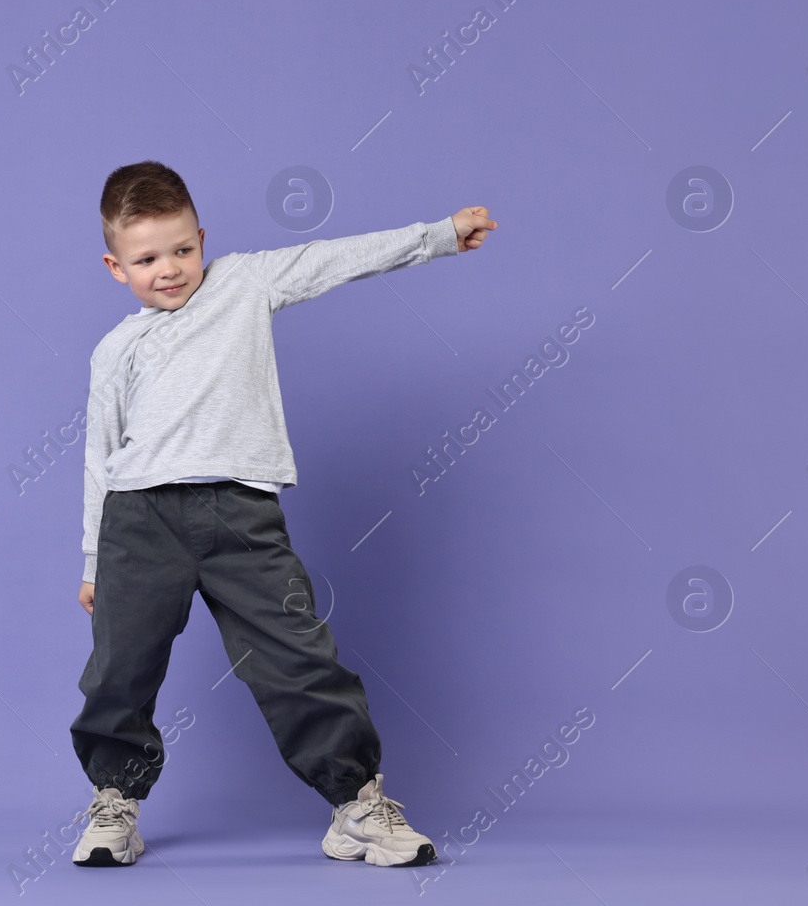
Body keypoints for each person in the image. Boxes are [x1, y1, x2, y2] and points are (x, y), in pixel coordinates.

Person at [68, 160, 496, 869]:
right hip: (139, 523)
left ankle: (356, 805)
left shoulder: (243, 283)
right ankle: (115, 800)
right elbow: (98, 456)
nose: (170, 269)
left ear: (203, 238)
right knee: (120, 668)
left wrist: (439, 236)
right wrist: (92, 559)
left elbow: (336, 259)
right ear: (116, 266)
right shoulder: (116, 351)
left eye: (182, 249)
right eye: (147, 259)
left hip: (242, 515)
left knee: (299, 660)